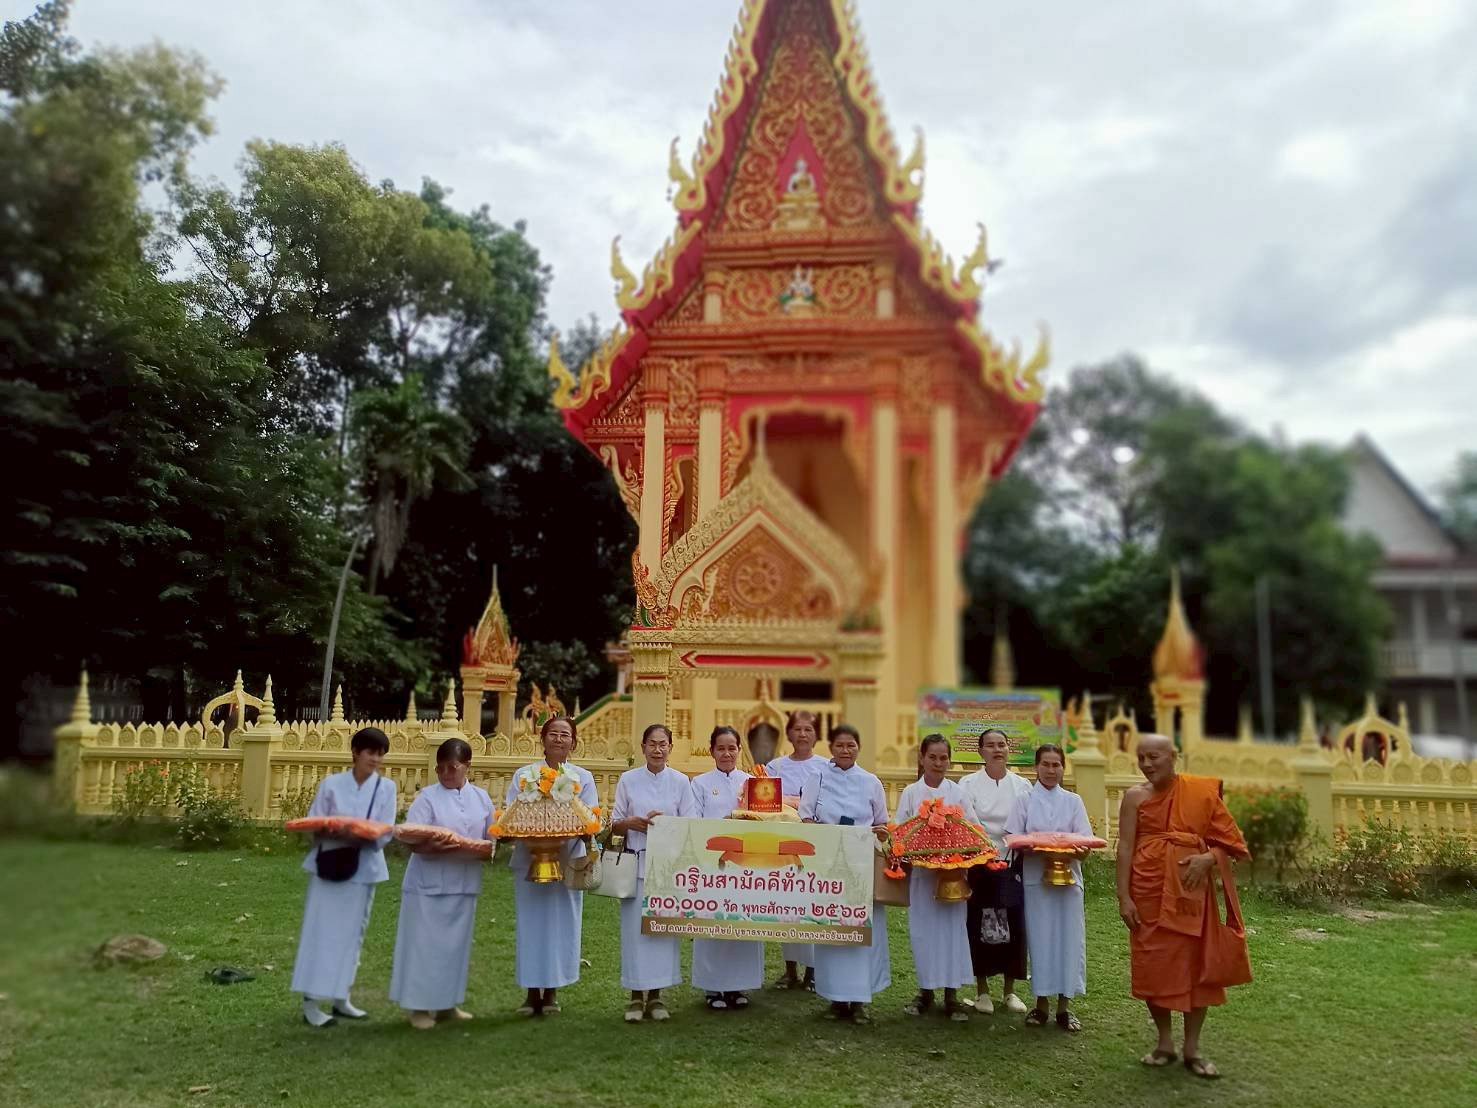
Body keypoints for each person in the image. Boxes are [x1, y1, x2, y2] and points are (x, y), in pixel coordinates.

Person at [1117, 733, 1251, 1079]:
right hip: (1146, 892)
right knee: (1153, 967)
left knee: (1196, 968)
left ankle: (1192, 1048)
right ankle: (1164, 1043)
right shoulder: (1134, 797)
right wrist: (1124, 896)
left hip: (1191, 895)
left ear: (1173, 756)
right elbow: (1125, 847)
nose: (1147, 764)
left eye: (1154, 757)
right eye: (1141, 758)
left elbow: (1231, 844)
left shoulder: (1200, 792)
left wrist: (1209, 858)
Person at [290, 726, 396, 1028]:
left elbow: (385, 830)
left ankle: (341, 996)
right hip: (330, 863)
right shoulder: (332, 785)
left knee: (353, 934)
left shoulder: (386, 788)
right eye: (370, 752)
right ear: (356, 753)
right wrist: (336, 830)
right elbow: (314, 823)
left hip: (364, 866)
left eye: (380, 754)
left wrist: (360, 834)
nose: (375, 759)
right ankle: (311, 1001)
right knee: (321, 931)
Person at [388, 738, 494, 1029]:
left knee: (454, 948)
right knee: (424, 947)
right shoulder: (428, 798)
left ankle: (447, 1003)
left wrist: (482, 847)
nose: (446, 773)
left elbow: (492, 840)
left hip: (464, 883)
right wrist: (438, 846)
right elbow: (412, 839)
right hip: (428, 885)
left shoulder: (481, 799)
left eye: (452, 767)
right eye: (441, 768)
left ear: (467, 766)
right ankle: (418, 1007)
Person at [507, 715, 598, 1016]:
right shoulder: (525, 775)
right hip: (529, 859)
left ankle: (553, 992)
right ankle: (531, 992)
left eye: (565, 735)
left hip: (567, 861)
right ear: (543, 739)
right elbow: (511, 813)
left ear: (574, 742)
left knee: (562, 925)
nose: (559, 739)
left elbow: (590, 819)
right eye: (553, 734)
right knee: (531, 925)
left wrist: (568, 830)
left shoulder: (582, 777)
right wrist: (533, 833)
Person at [799, 724, 890, 1023]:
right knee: (833, 930)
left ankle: (860, 1000)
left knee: (863, 931)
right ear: (831, 748)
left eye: (851, 745)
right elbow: (805, 817)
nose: (845, 750)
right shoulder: (817, 777)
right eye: (840, 745)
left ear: (858, 747)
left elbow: (882, 823)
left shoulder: (871, 781)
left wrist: (876, 833)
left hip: (862, 868)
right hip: (829, 867)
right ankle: (836, 998)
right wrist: (825, 835)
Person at [611, 723, 696, 1022]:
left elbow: (690, 824)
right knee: (635, 933)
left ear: (670, 748)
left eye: (663, 744)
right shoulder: (628, 780)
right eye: (652, 744)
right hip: (635, 866)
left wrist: (665, 825)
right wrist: (632, 823)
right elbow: (614, 823)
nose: (657, 750)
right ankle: (636, 997)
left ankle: (657, 996)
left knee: (661, 933)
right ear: (643, 747)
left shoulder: (681, 782)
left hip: (667, 870)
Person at [1005, 743, 1093, 1032]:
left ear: (1063, 768)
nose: (1051, 770)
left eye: (1056, 765)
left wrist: (1068, 851)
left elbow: (1085, 845)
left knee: (1070, 940)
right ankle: (1041, 1004)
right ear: (1036, 767)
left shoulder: (1073, 801)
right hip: (1037, 881)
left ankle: (1064, 1007)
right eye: (1046, 764)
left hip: (1069, 882)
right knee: (1041, 939)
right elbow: (1013, 839)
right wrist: (1037, 847)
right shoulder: (1024, 800)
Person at [895, 734, 978, 1022]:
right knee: (923, 934)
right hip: (922, 878)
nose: (938, 763)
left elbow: (973, 829)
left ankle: (952, 996)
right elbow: (900, 832)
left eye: (943, 758)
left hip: (953, 877)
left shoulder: (958, 793)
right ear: (921, 758)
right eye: (932, 757)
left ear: (949, 761)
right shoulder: (911, 793)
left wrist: (954, 852)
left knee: (953, 933)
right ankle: (925, 992)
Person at [959, 728, 1033, 1014]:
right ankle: (982, 991)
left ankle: (1009, 991)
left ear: (1008, 749)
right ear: (980, 751)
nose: (997, 750)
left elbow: (1026, 822)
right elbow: (967, 822)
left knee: (1013, 925)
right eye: (990, 745)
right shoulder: (968, 784)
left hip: (1012, 862)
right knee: (979, 924)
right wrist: (984, 852)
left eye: (1001, 744)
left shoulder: (1022, 785)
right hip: (979, 863)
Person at [689, 725, 762, 1011]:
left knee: (741, 924)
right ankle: (713, 987)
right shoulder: (700, 784)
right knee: (713, 924)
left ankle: (738, 986)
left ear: (739, 750)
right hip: (713, 864)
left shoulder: (752, 783)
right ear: (712, 751)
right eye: (721, 748)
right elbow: (695, 822)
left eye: (732, 748)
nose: (727, 753)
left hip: (746, 866)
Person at [766, 710, 827, 990]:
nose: (802, 734)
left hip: (814, 845)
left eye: (808, 729)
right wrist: (796, 803)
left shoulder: (826, 767)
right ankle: (790, 969)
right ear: (788, 733)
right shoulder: (775, 767)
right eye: (798, 729)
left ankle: (813, 971)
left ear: (816, 735)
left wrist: (792, 802)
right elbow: (767, 801)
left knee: (812, 906)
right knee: (786, 907)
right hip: (782, 844)